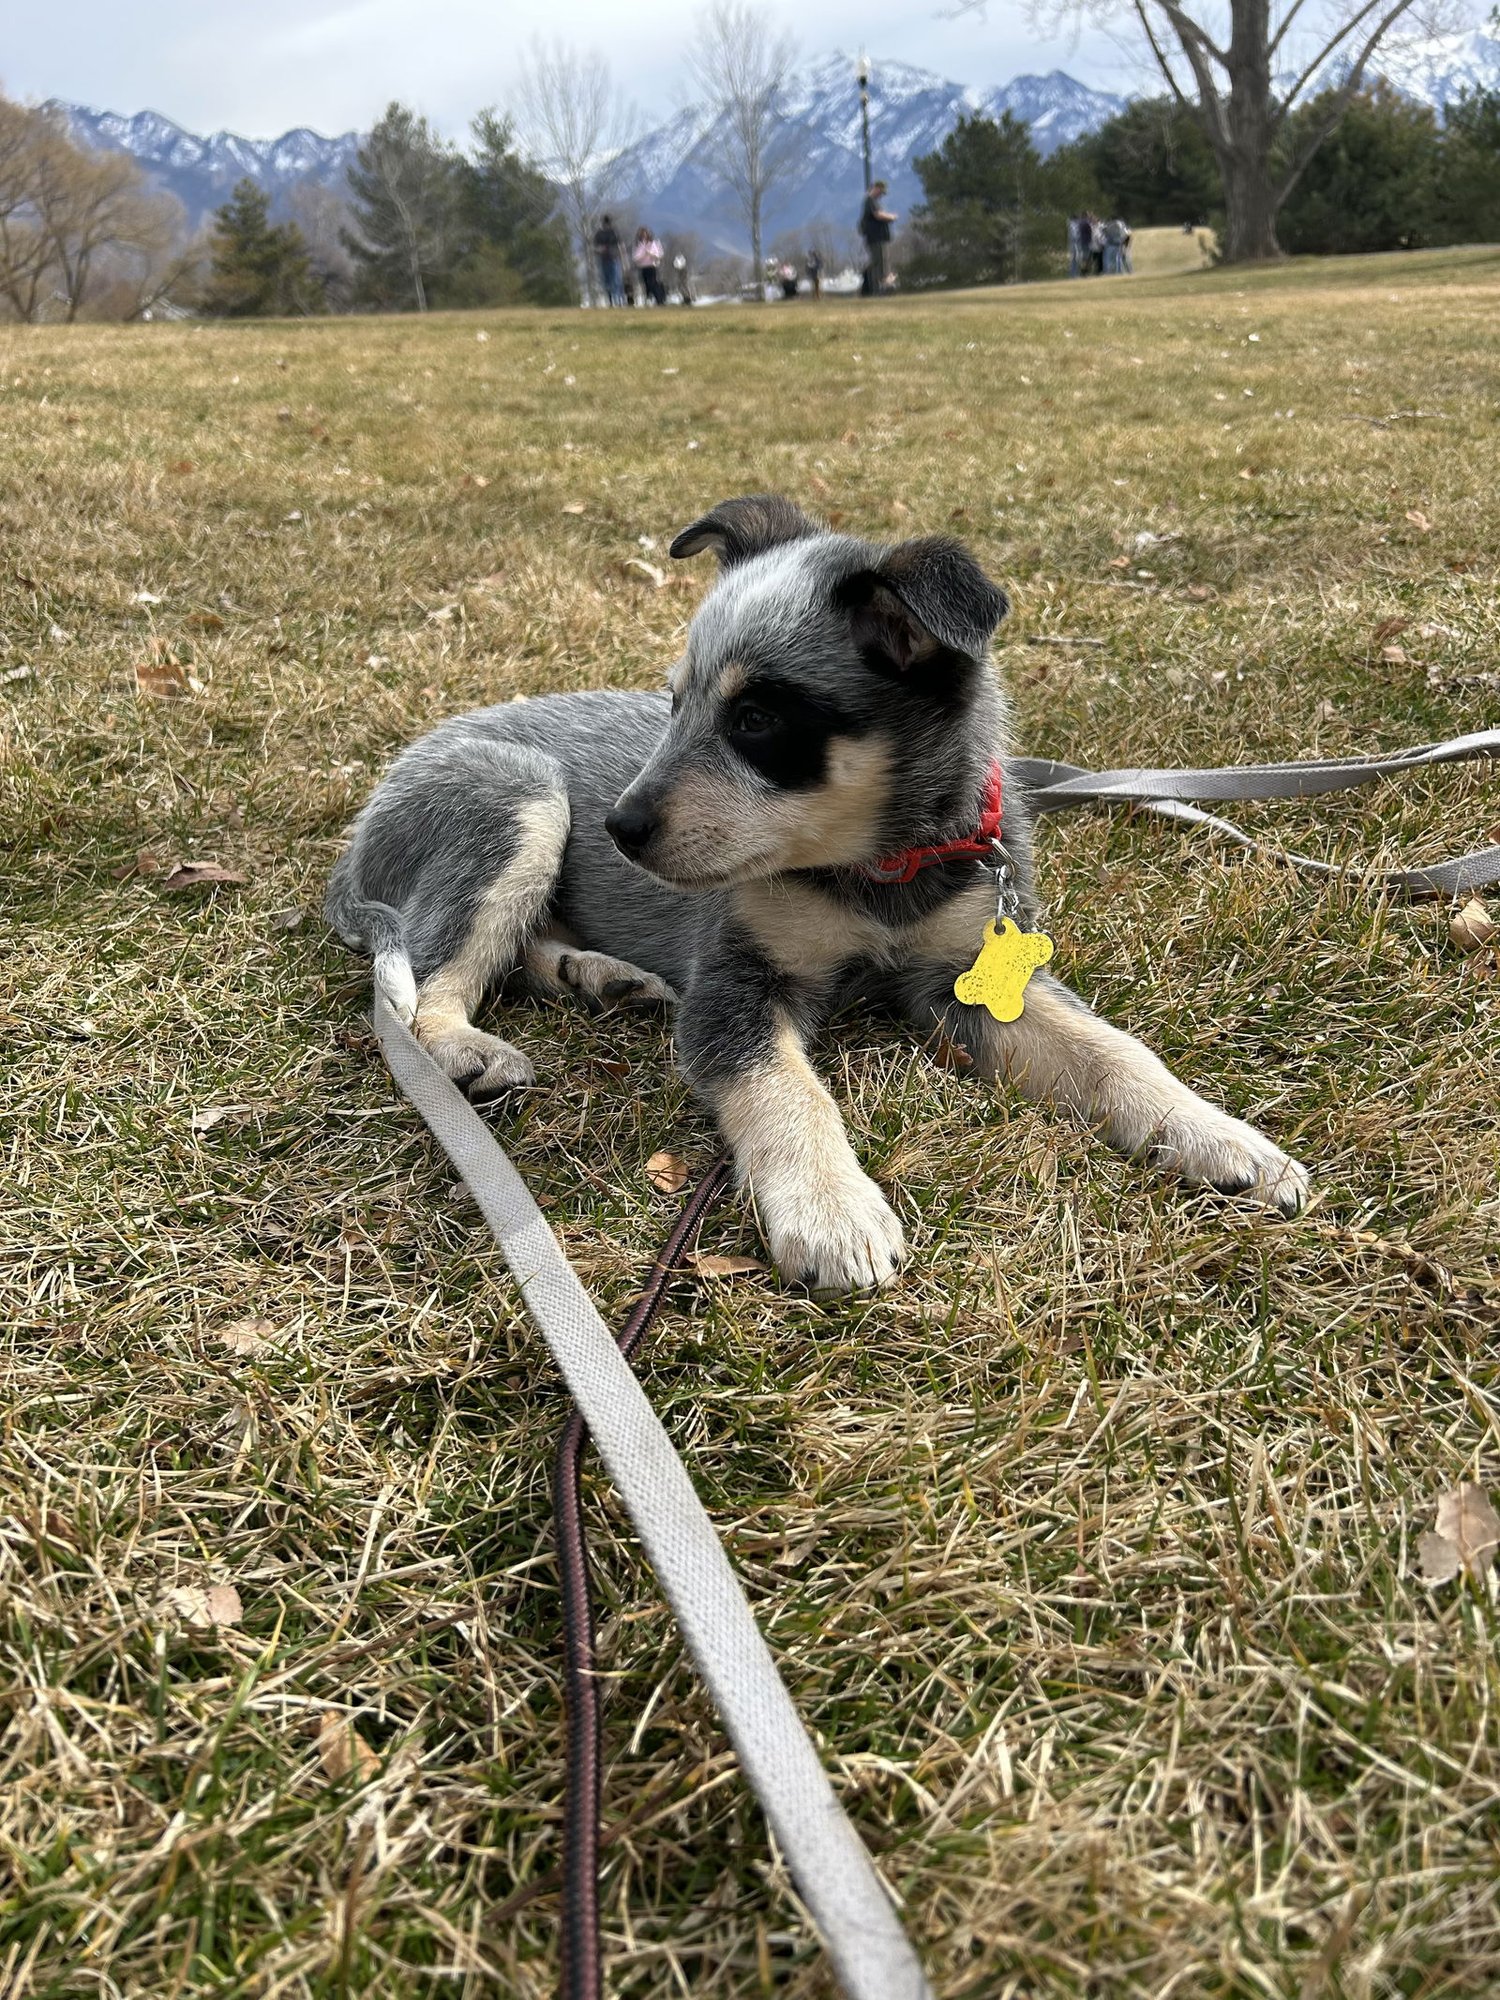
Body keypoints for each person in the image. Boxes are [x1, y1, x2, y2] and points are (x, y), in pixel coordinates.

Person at [858, 180, 895, 294]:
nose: (881, 195)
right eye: (881, 192)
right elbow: (878, 215)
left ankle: (879, 288)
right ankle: (878, 289)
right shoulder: (870, 201)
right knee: (879, 263)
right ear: (877, 188)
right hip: (876, 237)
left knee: (881, 261)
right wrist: (891, 217)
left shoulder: (873, 201)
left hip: (880, 237)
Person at [593, 215, 624, 306]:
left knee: (615, 280)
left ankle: (617, 300)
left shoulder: (614, 232)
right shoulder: (599, 234)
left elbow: (619, 245)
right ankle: (611, 300)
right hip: (604, 259)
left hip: (613, 258)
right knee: (607, 281)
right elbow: (595, 246)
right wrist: (599, 250)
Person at [632, 225, 666, 305]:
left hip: (652, 266)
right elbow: (635, 257)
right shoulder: (638, 245)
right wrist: (643, 255)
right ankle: (649, 299)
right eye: (642, 234)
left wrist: (650, 255)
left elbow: (659, 254)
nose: (644, 236)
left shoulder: (654, 243)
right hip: (643, 267)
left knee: (653, 283)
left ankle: (659, 299)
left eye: (645, 234)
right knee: (646, 284)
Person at [1067, 213, 1083, 278]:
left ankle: (1074, 274)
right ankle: (1073, 274)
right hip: (1074, 244)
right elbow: (1074, 236)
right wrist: (1080, 237)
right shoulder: (1072, 225)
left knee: (1075, 259)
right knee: (1075, 259)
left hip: (1074, 244)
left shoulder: (1073, 225)